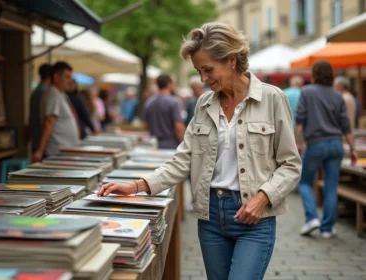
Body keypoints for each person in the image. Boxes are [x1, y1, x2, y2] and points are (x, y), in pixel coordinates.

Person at [99, 22, 302, 280]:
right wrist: (136, 186)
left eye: (208, 70)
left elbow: (291, 164)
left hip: (254, 219)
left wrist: (262, 197)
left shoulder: (272, 99)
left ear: (231, 60)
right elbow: (183, 159)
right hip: (210, 217)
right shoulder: (205, 104)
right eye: (198, 71)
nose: (203, 79)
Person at [296, 61, 357, 238]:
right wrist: (352, 148)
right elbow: (346, 125)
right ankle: (327, 228)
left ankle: (311, 218)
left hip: (316, 143)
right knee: (332, 186)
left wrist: (297, 143)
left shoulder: (307, 92)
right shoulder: (338, 95)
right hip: (336, 144)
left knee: (304, 181)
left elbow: (300, 121)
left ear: (314, 73)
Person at [32, 62, 79, 162]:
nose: (70, 81)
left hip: (64, 152)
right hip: (57, 153)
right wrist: (40, 151)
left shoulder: (60, 94)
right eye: (67, 77)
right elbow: (48, 122)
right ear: (56, 77)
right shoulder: (52, 94)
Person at [144, 74, 186, 149]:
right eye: (173, 83)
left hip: (154, 144)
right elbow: (178, 127)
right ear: (169, 84)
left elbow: (147, 126)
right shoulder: (174, 102)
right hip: (171, 144)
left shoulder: (149, 102)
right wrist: (184, 145)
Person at [29, 63, 52, 153]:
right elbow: (48, 120)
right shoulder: (46, 93)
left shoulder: (36, 91)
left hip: (36, 137)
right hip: (42, 140)